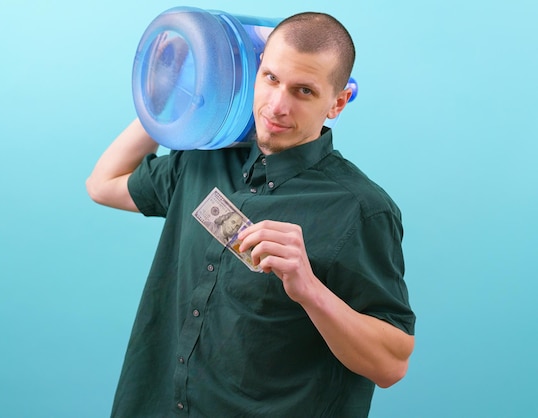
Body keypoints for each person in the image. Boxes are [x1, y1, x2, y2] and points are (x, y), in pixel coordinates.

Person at [86, 11, 415, 418]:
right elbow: (103, 184)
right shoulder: (204, 161)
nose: (277, 106)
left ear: (338, 103)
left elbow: (392, 363)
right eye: (271, 78)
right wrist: (167, 99)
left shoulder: (360, 210)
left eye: (304, 91)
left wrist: (309, 289)